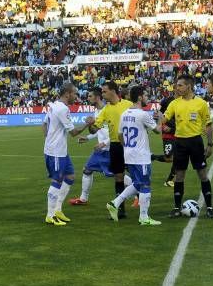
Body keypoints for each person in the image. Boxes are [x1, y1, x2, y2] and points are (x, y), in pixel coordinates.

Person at [106, 85, 162, 226]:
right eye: (145, 95)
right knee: (145, 184)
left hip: (129, 154)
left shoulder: (125, 113)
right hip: (141, 156)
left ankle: (115, 203)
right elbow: (157, 130)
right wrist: (161, 118)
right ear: (139, 97)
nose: (147, 97)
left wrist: (128, 147)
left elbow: (119, 135)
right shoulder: (143, 114)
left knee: (137, 183)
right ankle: (144, 217)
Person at [162, 74, 213, 218]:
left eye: (180, 85)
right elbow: (165, 119)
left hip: (196, 142)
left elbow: (208, 124)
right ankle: (176, 208)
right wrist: (158, 118)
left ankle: (210, 207)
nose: (177, 88)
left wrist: (210, 144)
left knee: (202, 174)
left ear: (188, 86)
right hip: (180, 143)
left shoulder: (201, 103)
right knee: (179, 176)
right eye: (177, 85)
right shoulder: (174, 103)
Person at [69, 86, 132, 206]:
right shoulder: (98, 112)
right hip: (101, 149)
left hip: (109, 148)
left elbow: (115, 131)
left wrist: (104, 143)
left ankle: (138, 193)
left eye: (90, 96)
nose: (88, 98)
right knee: (87, 170)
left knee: (117, 174)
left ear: (97, 97)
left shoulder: (108, 109)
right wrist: (87, 137)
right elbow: (98, 130)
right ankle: (83, 198)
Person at [43, 83, 93, 226]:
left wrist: (48, 139)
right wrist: (87, 124)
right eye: (74, 94)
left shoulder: (53, 105)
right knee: (57, 181)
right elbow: (73, 133)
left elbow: (44, 124)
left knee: (70, 176)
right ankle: (50, 215)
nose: (76, 97)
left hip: (60, 151)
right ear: (67, 94)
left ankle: (57, 209)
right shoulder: (63, 109)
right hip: (56, 152)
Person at [89, 81, 133, 218]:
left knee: (137, 177)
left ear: (113, 91)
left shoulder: (128, 105)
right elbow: (95, 128)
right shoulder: (106, 110)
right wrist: (91, 125)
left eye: (104, 91)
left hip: (130, 146)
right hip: (115, 146)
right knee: (118, 178)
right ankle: (120, 210)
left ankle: (144, 210)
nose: (102, 94)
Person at [153, 92, 177, 187]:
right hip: (168, 133)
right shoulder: (167, 100)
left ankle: (169, 180)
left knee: (178, 157)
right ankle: (153, 157)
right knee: (169, 158)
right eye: (177, 86)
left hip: (178, 132)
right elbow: (159, 113)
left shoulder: (183, 101)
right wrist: (161, 123)